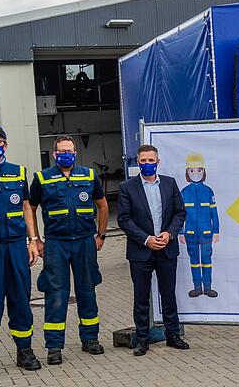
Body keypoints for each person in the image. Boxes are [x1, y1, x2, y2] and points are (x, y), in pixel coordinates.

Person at [29, 135, 108, 365]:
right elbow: (30, 208)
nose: (67, 154)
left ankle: (90, 339)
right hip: (56, 243)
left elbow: (102, 205)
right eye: (62, 151)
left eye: (70, 151)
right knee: (56, 294)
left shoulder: (89, 175)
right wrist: (36, 239)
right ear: (55, 154)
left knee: (87, 291)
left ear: (75, 153)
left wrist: (100, 235)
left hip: (85, 241)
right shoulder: (42, 178)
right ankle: (54, 346)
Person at [0, 126, 41, 380]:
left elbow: (27, 207)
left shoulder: (18, 172)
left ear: (5, 145)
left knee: (20, 299)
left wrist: (33, 240)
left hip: (16, 245)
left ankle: (24, 351)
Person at [117, 144, 188, 356]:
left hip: (167, 248)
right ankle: (142, 340)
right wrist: (146, 239)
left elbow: (180, 213)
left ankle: (173, 335)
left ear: (158, 162)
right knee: (141, 297)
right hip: (141, 251)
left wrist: (169, 233)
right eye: (143, 160)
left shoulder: (169, 184)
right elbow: (124, 220)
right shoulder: (127, 187)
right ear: (137, 162)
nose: (147, 164)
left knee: (168, 294)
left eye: (151, 160)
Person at [179, 153, 220, 298]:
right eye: (191, 170)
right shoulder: (184, 192)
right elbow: (180, 214)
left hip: (206, 234)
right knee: (194, 261)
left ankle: (207, 288)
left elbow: (214, 212)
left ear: (203, 171)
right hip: (190, 234)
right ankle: (197, 288)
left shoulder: (208, 191)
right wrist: (181, 232)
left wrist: (216, 231)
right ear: (187, 172)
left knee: (207, 260)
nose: (195, 173)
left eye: (199, 170)